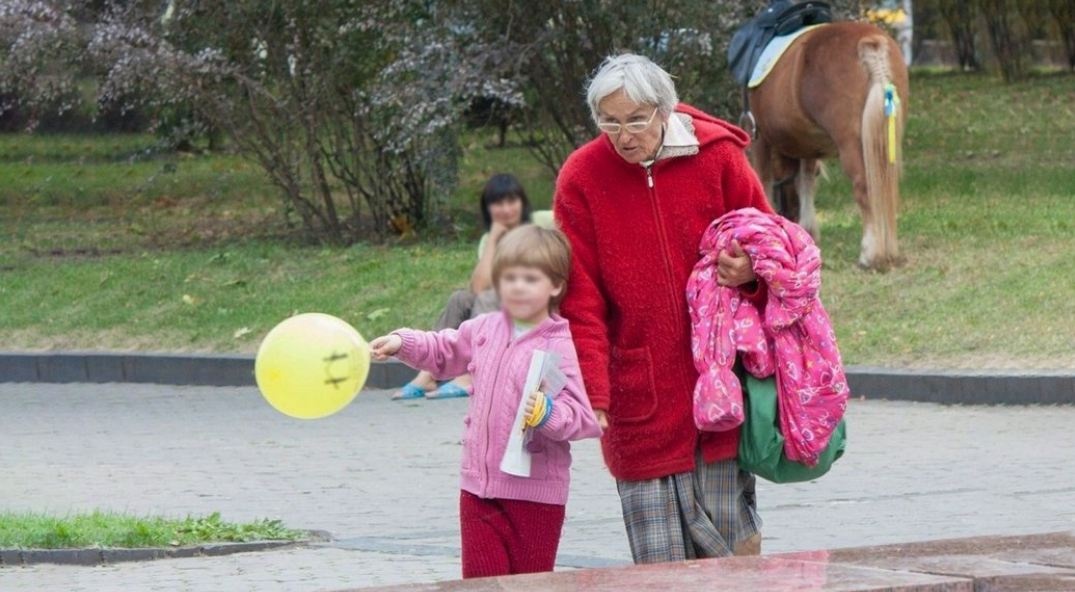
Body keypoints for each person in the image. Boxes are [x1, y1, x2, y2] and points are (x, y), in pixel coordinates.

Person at [553, 53, 776, 564]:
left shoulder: (718, 158)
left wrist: (751, 276)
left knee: (733, 560)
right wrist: (593, 390)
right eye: (608, 122)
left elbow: (775, 248)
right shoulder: (581, 178)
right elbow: (579, 299)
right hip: (639, 397)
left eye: (635, 120)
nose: (623, 135)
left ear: (664, 110)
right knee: (659, 571)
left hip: (719, 390)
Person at [369, 225, 602, 578]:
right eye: (509, 278)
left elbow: (583, 418)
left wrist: (549, 414)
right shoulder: (484, 328)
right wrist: (403, 343)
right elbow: (444, 349)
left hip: (535, 497)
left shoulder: (561, 344)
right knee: (481, 584)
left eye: (530, 278)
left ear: (555, 285)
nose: (518, 286)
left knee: (529, 586)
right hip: (477, 489)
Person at [393, 173, 533, 400]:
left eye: (512, 201)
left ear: (522, 203)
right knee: (460, 299)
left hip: (538, 300)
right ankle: (428, 374)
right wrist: (494, 239)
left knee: (487, 298)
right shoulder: (490, 239)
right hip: (504, 304)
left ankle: (471, 375)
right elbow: (477, 287)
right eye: (498, 203)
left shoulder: (543, 224)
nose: (506, 209)